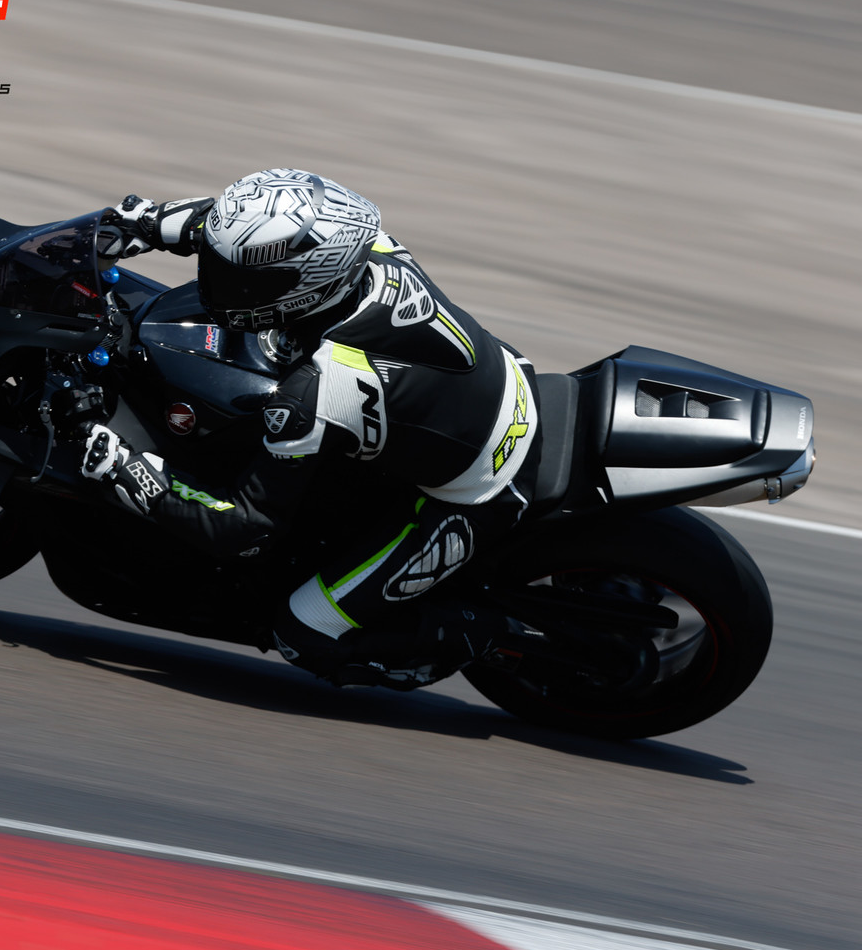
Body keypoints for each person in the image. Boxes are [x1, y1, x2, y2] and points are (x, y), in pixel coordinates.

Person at [71, 169, 538, 688]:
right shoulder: (366, 248)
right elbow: (232, 231)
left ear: (305, 287)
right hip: (500, 377)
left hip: (482, 488)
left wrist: (124, 468)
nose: (219, 285)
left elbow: (246, 527)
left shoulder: (323, 387)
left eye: (243, 282)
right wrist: (146, 223)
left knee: (305, 633)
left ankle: (486, 637)